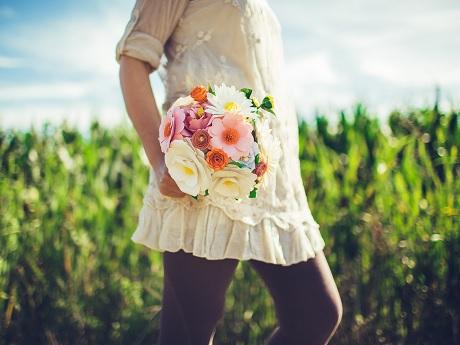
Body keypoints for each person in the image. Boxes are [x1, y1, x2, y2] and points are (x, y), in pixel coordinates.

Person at [116, 0, 343, 344]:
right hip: (206, 176)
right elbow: (133, 61)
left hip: (271, 183)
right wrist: (161, 161)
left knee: (316, 312)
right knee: (190, 332)